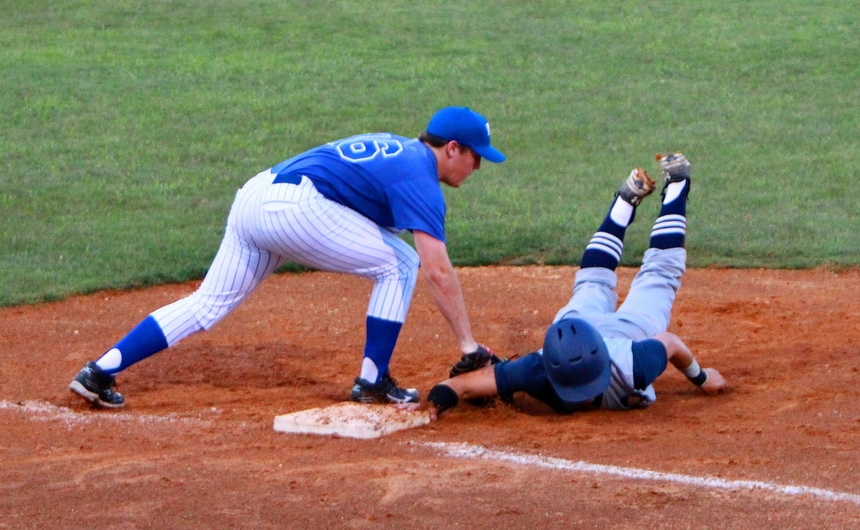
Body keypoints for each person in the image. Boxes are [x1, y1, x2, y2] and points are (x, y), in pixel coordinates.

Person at [69, 106, 506, 409]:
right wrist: (468, 346)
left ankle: (99, 371)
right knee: (401, 264)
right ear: (452, 148)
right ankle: (372, 381)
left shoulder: (398, 150)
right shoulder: (421, 178)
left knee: (208, 303)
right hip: (295, 209)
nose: (478, 167)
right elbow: (438, 271)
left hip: (256, 197)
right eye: (475, 157)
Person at [428, 154, 728, 417]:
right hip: (577, 327)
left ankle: (672, 187)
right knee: (608, 279)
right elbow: (459, 387)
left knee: (651, 276)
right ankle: (629, 199)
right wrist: (431, 407)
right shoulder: (536, 370)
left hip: (630, 332)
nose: (583, 398)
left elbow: (671, 343)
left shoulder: (634, 364)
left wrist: (701, 377)